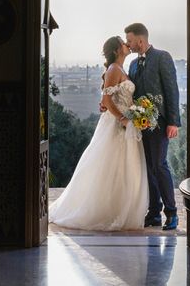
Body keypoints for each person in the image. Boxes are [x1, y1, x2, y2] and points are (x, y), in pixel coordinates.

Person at [47, 36, 149, 231]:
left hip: (127, 122)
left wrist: (137, 113)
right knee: (109, 166)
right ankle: (103, 211)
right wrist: (123, 119)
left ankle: (120, 209)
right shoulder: (113, 69)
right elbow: (107, 101)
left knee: (125, 168)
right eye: (123, 42)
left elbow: (112, 99)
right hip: (116, 124)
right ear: (117, 50)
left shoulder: (121, 69)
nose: (127, 44)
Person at [125, 22, 180, 230]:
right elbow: (129, 92)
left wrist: (173, 121)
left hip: (161, 122)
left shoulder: (162, 57)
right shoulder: (132, 64)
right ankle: (154, 213)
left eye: (130, 40)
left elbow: (172, 90)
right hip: (140, 123)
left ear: (140, 40)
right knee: (148, 167)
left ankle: (172, 213)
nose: (128, 44)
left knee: (159, 165)